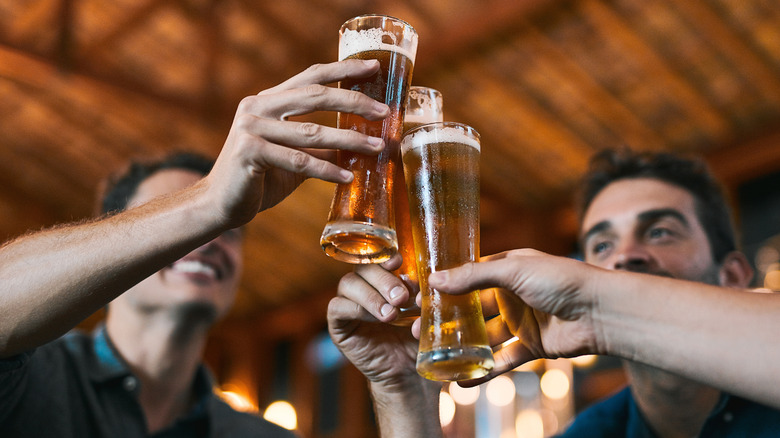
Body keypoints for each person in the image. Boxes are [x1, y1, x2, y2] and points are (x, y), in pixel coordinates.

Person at [0, 58, 391, 437]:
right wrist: (207, 203)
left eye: (230, 227)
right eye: (185, 226)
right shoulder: (31, 377)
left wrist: (402, 393)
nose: (210, 239)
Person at [327, 148, 780, 437]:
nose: (624, 258)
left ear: (734, 275)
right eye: (602, 245)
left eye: (659, 232)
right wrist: (404, 392)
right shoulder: (594, 432)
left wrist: (601, 309)